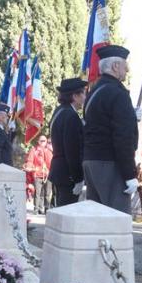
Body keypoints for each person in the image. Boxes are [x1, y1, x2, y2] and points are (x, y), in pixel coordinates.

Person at [82, 45, 140, 214]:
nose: (127, 70)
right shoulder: (118, 93)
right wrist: (129, 174)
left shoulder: (94, 91)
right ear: (115, 66)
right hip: (110, 163)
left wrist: (131, 117)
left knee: (97, 219)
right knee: (116, 222)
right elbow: (123, 136)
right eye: (124, 65)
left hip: (92, 160)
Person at [48, 77, 88, 206]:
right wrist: (78, 178)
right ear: (75, 96)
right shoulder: (71, 116)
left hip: (60, 170)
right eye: (83, 93)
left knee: (61, 211)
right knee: (66, 214)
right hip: (68, 174)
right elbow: (72, 150)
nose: (85, 97)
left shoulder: (59, 111)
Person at [25, 135, 53, 214]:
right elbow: (30, 160)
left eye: (44, 141)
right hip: (38, 174)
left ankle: (46, 208)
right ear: (38, 141)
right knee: (38, 193)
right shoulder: (34, 150)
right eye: (41, 141)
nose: (43, 142)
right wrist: (29, 167)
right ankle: (37, 209)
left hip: (47, 174)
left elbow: (51, 162)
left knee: (47, 193)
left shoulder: (49, 151)